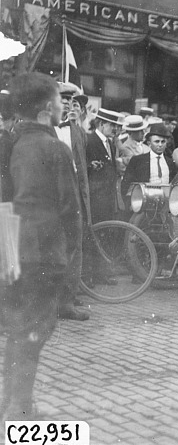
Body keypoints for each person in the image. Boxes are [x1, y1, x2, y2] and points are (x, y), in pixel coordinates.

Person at [2, 72, 82, 421]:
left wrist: (8, 258)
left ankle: (14, 404)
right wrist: (68, 255)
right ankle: (18, 416)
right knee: (33, 332)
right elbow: (71, 211)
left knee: (19, 331)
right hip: (43, 256)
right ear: (46, 107)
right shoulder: (55, 148)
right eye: (58, 99)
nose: (62, 105)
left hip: (13, 252)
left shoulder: (10, 143)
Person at [54, 83, 92, 321]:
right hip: (50, 199)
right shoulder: (42, 129)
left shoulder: (76, 131)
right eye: (62, 98)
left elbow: (82, 172)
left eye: (69, 99)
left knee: (74, 249)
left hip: (74, 197)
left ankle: (66, 301)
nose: (67, 102)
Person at [122, 123, 178, 205]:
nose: (160, 145)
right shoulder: (138, 161)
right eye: (156, 141)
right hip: (143, 206)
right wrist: (132, 205)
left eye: (163, 142)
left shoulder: (170, 163)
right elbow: (126, 185)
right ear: (149, 143)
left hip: (165, 206)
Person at [86, 108, 122, 223]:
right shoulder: (88, 141)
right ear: (101, 124)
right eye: (112, 125)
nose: (115, 129)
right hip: (95, 198)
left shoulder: (110, 144)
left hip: (108, 198)